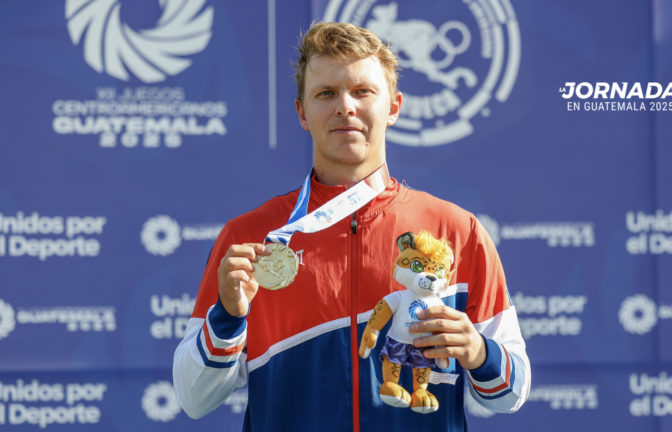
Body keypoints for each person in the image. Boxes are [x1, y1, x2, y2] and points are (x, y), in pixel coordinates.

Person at [173, 21, 530, 431]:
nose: (345, 106)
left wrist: (480, 352)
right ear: (301, 112)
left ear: (393, 107)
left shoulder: (456, 231)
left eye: (363, 91)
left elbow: (511, 393)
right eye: (326, 93)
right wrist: (227, 319)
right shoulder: (253, 240)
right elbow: (193, 398)